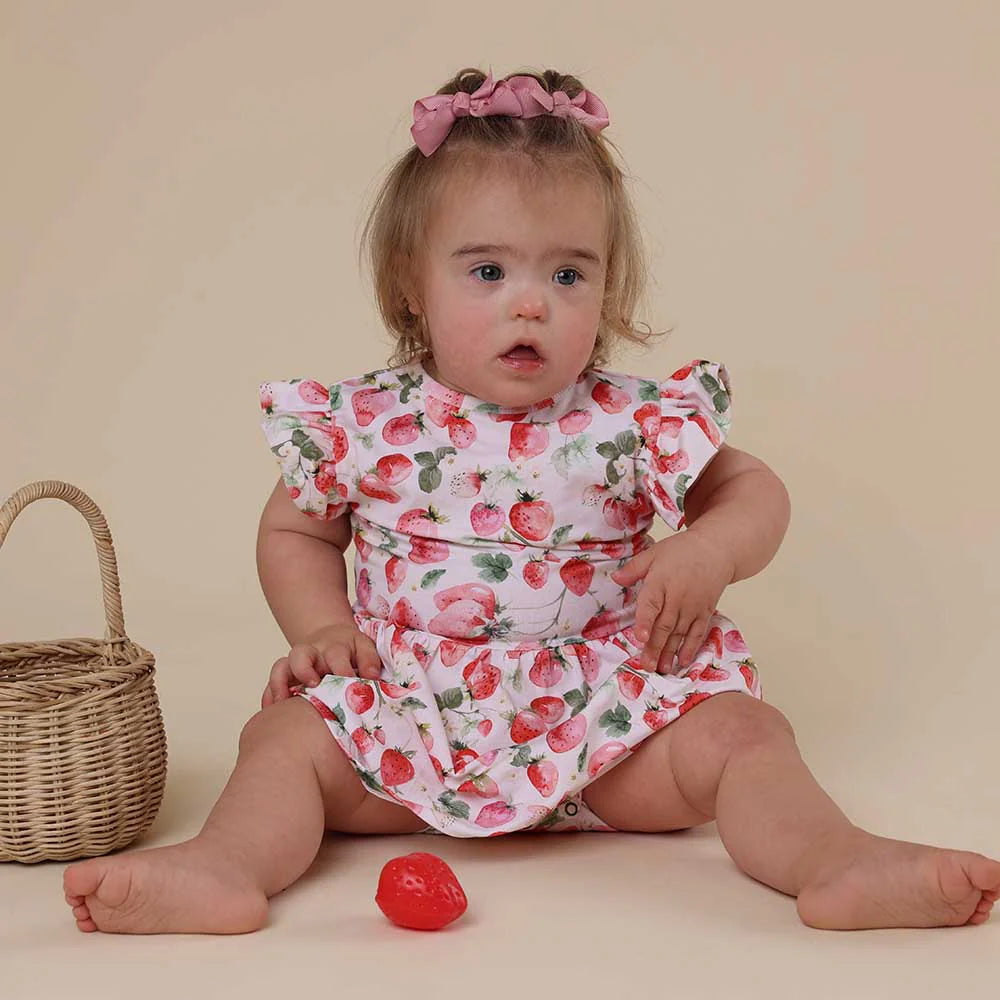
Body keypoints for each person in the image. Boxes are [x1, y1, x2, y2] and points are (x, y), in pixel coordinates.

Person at [64, 67, 999, 934]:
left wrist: (710, 549)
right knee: (282, 740)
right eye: (488, 272)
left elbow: (753, 490)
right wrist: (320, 628)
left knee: (747, 734)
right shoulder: (366, 422)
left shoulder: (633, 419)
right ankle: (226, 867)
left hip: (612, 725)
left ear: (607, 285)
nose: (531, 305)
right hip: (409, 724)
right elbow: (294, 531)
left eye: (567, 274)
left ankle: (834, 859)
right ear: (412, 287)